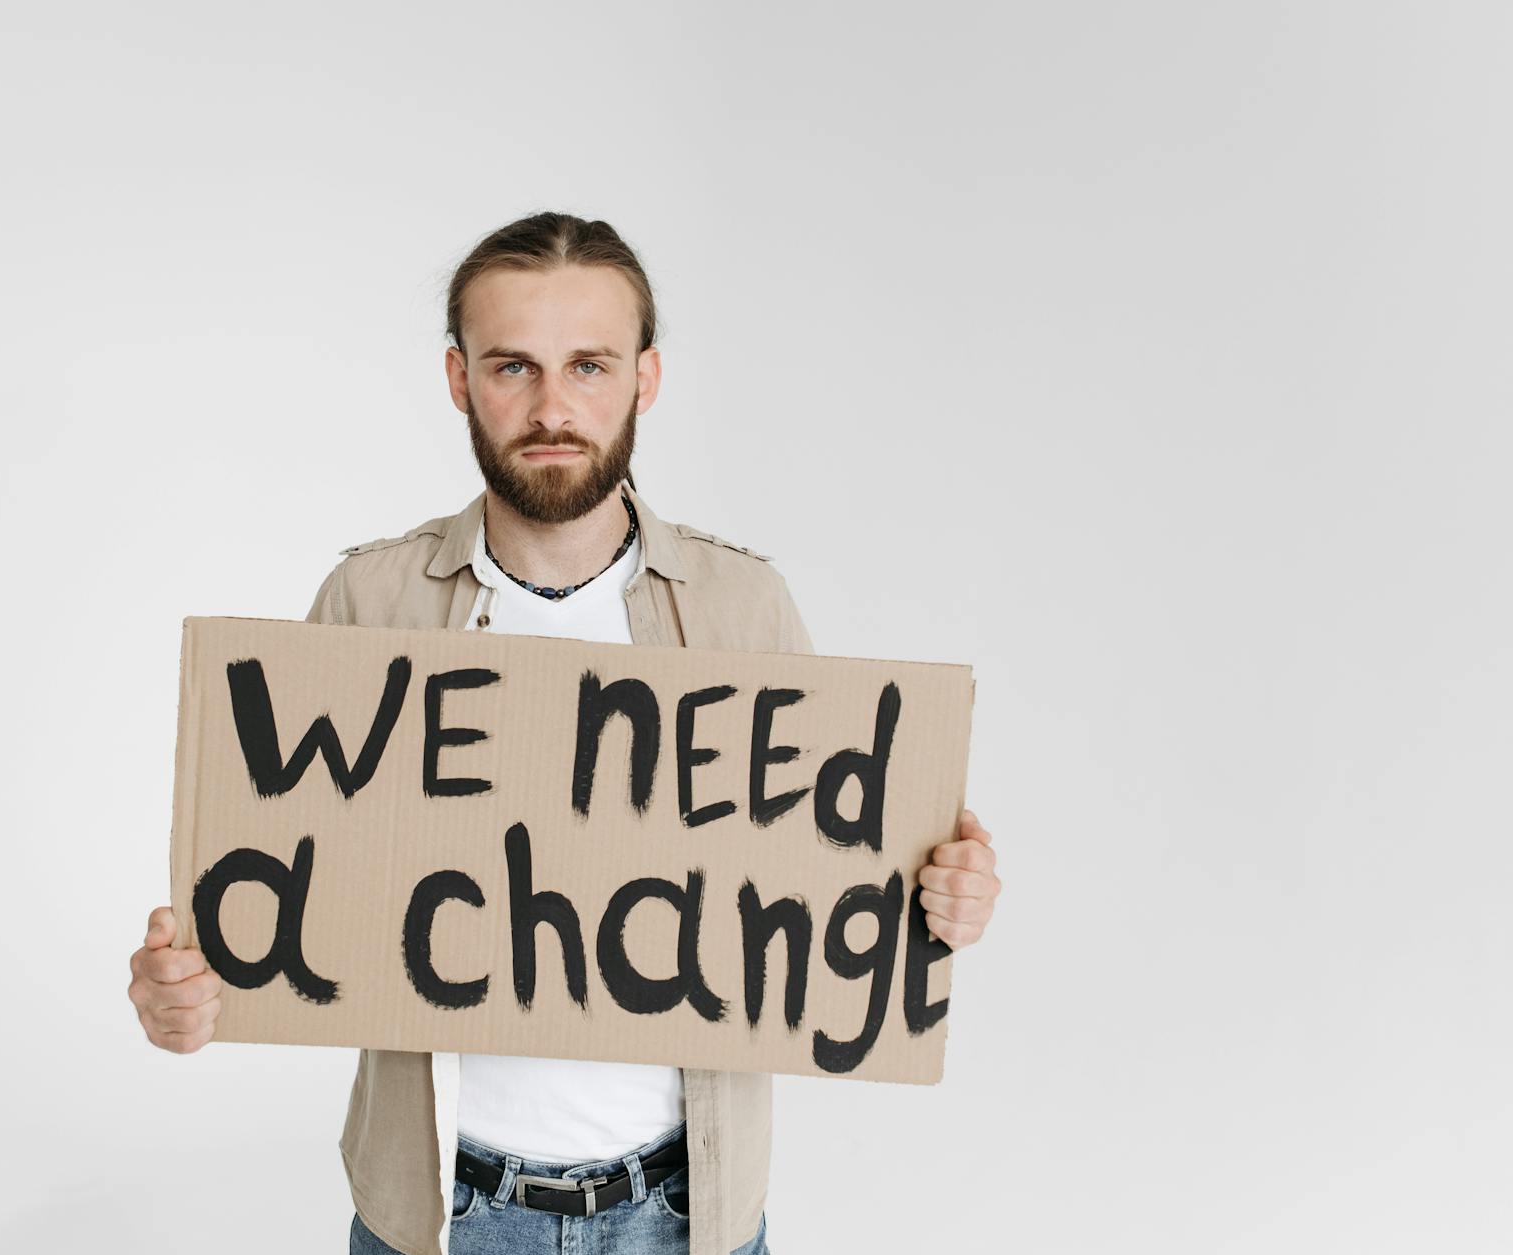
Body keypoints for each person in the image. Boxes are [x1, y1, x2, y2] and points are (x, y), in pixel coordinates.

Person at [126, 212, 1003, 1255]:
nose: (551, 406)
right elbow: (283, 893)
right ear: (458, 379)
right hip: (438, 1219)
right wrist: (181, 992)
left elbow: (830, 886)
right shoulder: (371, 600)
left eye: (587, 365)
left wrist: (942, 898)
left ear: (645, 378)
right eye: (512, 367)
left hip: (689, 1218)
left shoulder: (742, 607)